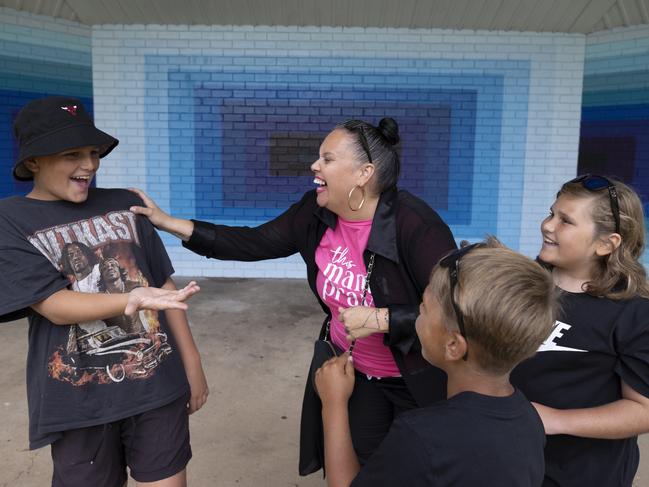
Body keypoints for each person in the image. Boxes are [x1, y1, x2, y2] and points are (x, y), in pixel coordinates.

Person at [130, 117, 457, 472]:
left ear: (364, 173)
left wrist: (382, 318)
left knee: (421, 472)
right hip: (354, 375)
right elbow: (253, 242)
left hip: (417, 379)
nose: (314, 166)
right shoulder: (315, 211)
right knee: (363, 469)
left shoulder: (416, 225)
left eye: (327, 159)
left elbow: (457, 309)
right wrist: (168, 222)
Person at [0, 96, 208, 487]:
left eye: (93, 153)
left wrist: (192, 364)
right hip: (77, 400)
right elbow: (54, 305)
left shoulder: (125, 205)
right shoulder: (10, 219)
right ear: (33, 162)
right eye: (72, 154)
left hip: (157, 385)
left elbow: (164, 287)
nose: (90, 165)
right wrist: (131, 298)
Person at [315, 238, 557, 487]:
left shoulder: (420, 436)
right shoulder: (529, 420)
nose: (417, 316)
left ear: (453, 346)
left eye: (424, 309)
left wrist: (334, 403)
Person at [510, 174, 649, 486]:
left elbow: (643, 410)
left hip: (581, 473)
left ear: (605, 243)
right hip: (512, 461)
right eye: (551, 213)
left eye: (566, 221)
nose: (548, 225)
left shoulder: (634, 313)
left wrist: (556, 420)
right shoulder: (524, 284)